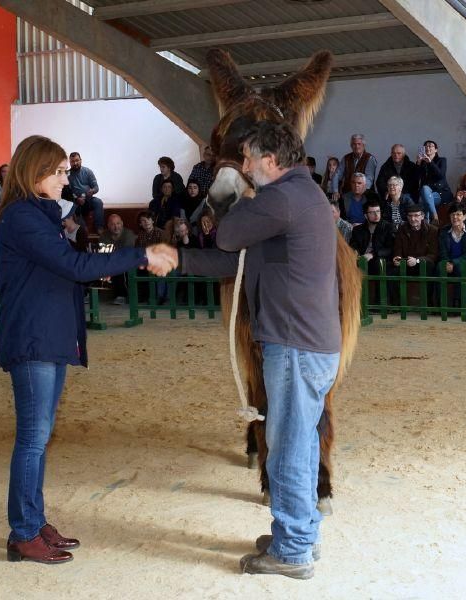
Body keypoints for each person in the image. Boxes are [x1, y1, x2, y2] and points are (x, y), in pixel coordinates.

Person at [0, 134, 175, 565]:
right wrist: (139, 255)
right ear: (34, 174)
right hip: (35, 339)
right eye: (58, 173)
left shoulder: (40, 215)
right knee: (33, 440)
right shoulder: (23, 217)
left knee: (40, 437)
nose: (65, 180)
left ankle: (34, 523)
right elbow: (75, 267)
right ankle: (22, 532)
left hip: (49, 336)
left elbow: (69, 266)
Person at [180, 121, 341, 579]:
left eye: (249, 159)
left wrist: (238, 202)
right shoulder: (303, 196)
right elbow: (240, 259)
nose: (244, 167)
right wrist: (181, 260)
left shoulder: (280, 197)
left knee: (287, 445)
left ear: (271, 161)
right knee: (302, 440)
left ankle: (292, 551)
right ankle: (302, 532)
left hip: (293, 345)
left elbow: (228, 237)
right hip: (309, 343)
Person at [99, 213, 137, 304]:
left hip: (128, 262)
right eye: (113, 224)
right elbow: (103, 251)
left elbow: (125, 253)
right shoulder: (104, 235)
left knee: (119, 267)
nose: (116, 227)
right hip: (110, 261)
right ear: (108, 225)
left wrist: (112, 252)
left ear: (122, 223)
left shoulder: (128, 234)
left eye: (118, 223)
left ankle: (122, 296)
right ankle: (91, 294)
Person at [437, 202, 466, 282]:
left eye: (458, 214)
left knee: (460, 268)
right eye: (452, 214)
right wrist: (447, 263)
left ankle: (459, 295)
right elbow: (442, 251)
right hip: (448, 262)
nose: (455, 217)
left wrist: (453, 263)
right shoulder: (444, 231)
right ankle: (440, 294)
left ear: (464, 216)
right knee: (440, 267)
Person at [330, 133, 378, 201]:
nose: (356, 146)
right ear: (351, 146)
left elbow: (369, 180)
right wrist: (335, 191)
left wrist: (358, 192)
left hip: (364, 195)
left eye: (359, 144)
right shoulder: (346, 158)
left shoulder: (370, 159)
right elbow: (337, 175)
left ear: (364, 145)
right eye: (354, 144)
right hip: (347, 194)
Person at [416, 140, 453, 224]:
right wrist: (418, 163)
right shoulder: (421, 162)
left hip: (440, 192)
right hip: (427, 193)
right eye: (425, 146)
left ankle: (430, 220)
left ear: (436, 150)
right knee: (425, 191)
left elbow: (440, 175)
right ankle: (432, 220)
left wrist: (430, 162)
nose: (428, 148)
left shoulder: (442, 160)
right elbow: (416, 177)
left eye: (430, 146)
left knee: (424, 196)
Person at [67, 152, 105, 233]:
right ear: (70, 162)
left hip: (88, 199)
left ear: (81, 160)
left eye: (77, 160)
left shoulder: (88, 171)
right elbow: (68, 192)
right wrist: (76, 198)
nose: (75, 163)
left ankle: (99, 228)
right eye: (72, 161)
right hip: (75, 201)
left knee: (98, 202)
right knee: (71, 207)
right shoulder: (67, 174)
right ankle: (83, 231)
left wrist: (92, 191)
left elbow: (96, 187)